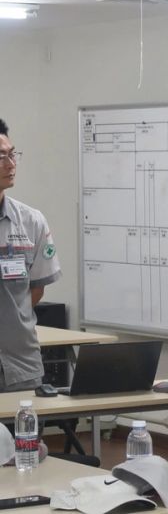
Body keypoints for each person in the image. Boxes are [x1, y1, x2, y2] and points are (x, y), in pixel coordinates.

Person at [0, 118, 62, 392]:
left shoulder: (31, 222)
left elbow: (35, 291)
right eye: (1, 157)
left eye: (12, 154)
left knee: (22, 435)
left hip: (19, 367)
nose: (11, 164)